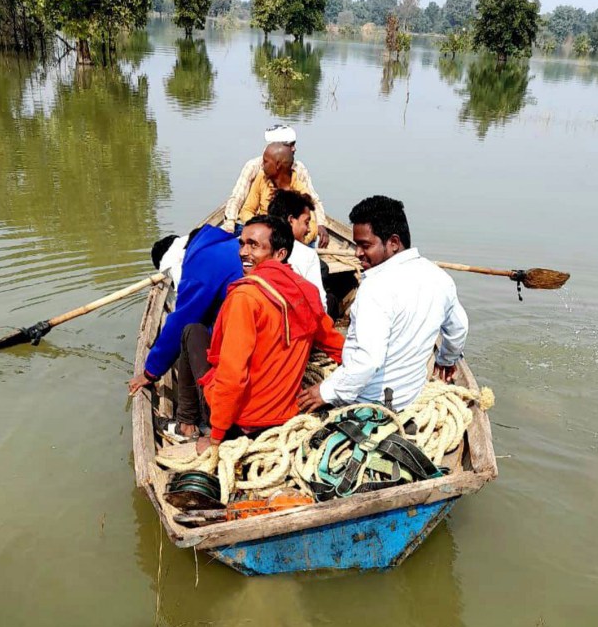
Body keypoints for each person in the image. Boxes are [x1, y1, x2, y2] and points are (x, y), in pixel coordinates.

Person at [297, 196, 468, 414]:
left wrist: (326, 391)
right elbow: (458, 329)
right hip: (408, 397)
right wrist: (446, 359)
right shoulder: (440, 278)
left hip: (371, 402)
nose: (357, 253)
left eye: (365, 245)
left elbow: (367, 361)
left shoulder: (375, 289)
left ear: (394, 243)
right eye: (356, 244)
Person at [194, 215, 344, 454]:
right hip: (286, 416)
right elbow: (334, 344)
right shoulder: (307, 291)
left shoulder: (245, 298)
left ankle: (186, 423)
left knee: (192, 335)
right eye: (242, 243)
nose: (243, 252)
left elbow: (232, 377)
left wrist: (215, 438)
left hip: (244, 423)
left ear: (280, 253)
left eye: (254, 245)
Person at [128, 224, 243, 441]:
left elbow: (181, 318)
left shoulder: (201, 263)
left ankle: (186, 424)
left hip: (243, 347)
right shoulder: (224, 244)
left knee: (188, 332)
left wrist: (150, 372)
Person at [222, 124, 330, 247]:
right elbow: (238, 198)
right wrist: (230, 225)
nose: (294, 149)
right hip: (261, 225)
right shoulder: (257, 169)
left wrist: (320, 224)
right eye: (291, 145)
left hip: (289, 233)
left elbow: (312, 203)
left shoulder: (298, 171)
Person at [268, 189, 327, 311]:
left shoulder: (250, 248)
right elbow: (319, 305)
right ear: (291, 220)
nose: (309, 230)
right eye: (306, 222)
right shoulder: (306, 255)